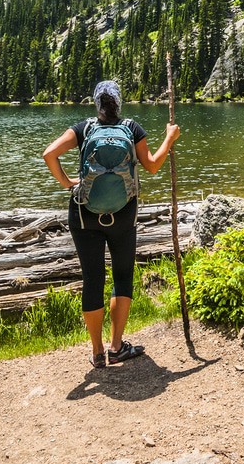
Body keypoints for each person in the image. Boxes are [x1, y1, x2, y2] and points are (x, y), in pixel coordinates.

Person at [42, 79, 180, 368]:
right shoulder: (132, 128)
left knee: (93, 279)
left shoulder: (84, 128)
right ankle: (117, 347)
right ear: (119, 102)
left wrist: (68, 183)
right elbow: (152, 165)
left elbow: (49, 154)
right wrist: (169, 138)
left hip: (84, 215)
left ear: (96, 103)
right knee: (122, 278)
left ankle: (96, 352)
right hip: (123, 215)